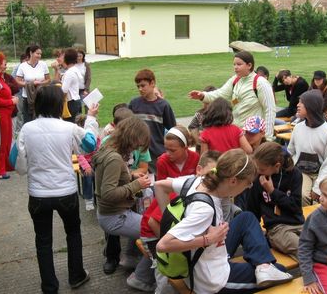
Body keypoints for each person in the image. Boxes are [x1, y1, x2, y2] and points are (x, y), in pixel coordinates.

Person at [156, 149, 293, 294]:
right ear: (233, 181)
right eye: (248, 183)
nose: (249, 187)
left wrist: (178, 223)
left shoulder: (198, 180)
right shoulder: (205, 210)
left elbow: (159, 185)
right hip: (212, 280)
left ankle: (263, 266)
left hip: (211, 253)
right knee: (281, 271)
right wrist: (208, 239)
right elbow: (163, 245)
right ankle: (264, 267)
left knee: (246, 217)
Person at [15, 85, 99, 294]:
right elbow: (90, 145)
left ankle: (49, 286)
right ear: (59, 104)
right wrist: (90, 119)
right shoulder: (69, 128)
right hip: (66, 192)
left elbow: (17, 163)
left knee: (43, 240)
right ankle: (76, 275)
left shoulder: (26, 129)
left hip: (38, 194)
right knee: (73, 233)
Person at [141, 150, 221, 294]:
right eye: (211, 174)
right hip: (152, 234)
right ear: (199, 170)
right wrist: (178, 242)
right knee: (166, 266)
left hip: (159, 231)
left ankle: (140, 277)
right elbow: (154, 222)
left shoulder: (197, 187)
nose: (215, 180)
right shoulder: (184, 191)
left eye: (219, 177)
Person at [93, 116, 156, 292]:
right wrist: (137, 184)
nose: (137, 147)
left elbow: (113, 180)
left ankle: (130, 258)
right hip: (114, 216)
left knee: (142, 222)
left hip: (112, 214)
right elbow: (108, 194)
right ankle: (141, 278)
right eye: (137, 143)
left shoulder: (109, 148)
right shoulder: (114, 158)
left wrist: (130, 176)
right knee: (155, 233)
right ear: (131, 137)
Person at [189, 51, 276, 141]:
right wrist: (203, 95)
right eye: (234, 64)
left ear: (249, 65)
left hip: (253, 135)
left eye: (239, 64)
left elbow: (270, 110)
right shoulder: (235, 80)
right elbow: (220, 94)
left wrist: (268, 138)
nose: (235, 67)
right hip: (236, 133)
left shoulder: (261, 83)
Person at [247, 142, 304, 261]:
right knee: (303, 249)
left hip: (298, 223)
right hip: (277, 228)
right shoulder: (257, 179)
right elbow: (252, 211)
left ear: (277, 166)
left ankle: (326, 271)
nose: (258, 171)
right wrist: (256, 238)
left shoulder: (295, 174)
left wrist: (272, 192)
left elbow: (295, 207)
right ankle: (320, 273)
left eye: (262, 169)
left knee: (321, 244)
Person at [288, 90, 327, 206]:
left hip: (322, 173)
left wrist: (317, 188)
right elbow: (290, 151)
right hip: (302, 172)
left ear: (311, 106)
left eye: (302, 103)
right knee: (303, 196)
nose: (297, 105)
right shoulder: (298, 128)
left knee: (322, 199)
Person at [129, 69, 176, 171]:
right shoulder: (134, 104)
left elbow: (173, 130)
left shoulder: (163, 105)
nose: (140, 89)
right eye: (138, 86)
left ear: (152, 83)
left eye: (143, 85)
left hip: (156, 154)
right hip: (138, 154)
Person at [0, 52, 19, 179]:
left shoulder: (0, 77)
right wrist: (10, 101)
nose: (6, 64)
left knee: (6, 141)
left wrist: (10, 99)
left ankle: (5, 165)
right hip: (0, 114)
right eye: (4, 62)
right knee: (0, 142)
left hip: (7, 113)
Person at [15, 45, 51, 123]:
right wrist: (30, 84)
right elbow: (17, 81)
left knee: (41, 120)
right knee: (28, 121)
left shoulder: (43, 64)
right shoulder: (23, 66)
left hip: (41, 96)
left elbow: (48, 80)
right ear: (31, 53)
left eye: (40, 54)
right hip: (27, 98)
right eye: (37, 53)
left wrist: (40, 83)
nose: (39, 56)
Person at [75, 114, 101, 211]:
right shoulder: (79, 139)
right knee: (88, 176)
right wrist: (87, 167)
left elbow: (99, 149)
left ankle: (102, 196)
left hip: (95, 160)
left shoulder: (95, 137)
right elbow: (79, 155)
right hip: (85, 163)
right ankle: (88, 199)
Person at [188, 85, 216, 152]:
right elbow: (192, 127)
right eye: (205, 103)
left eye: (209, 103)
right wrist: (198, 140)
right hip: (201, 148)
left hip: (215, 147)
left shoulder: (219, 115)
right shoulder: (199, 114)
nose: (207, 106)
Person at [61, 48, 82, 122]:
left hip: (70, 102)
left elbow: (64, 90)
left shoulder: (69, 73)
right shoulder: (75, 70)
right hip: (76, 100)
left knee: (68, 124)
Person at [12, 53, 28, 136]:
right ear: (22, 60)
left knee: (24, 113)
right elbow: (15, 82)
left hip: (25, 94)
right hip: (19, 94)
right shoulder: (19, 68)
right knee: (20, 113)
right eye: (26, 60)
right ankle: (18, 132)